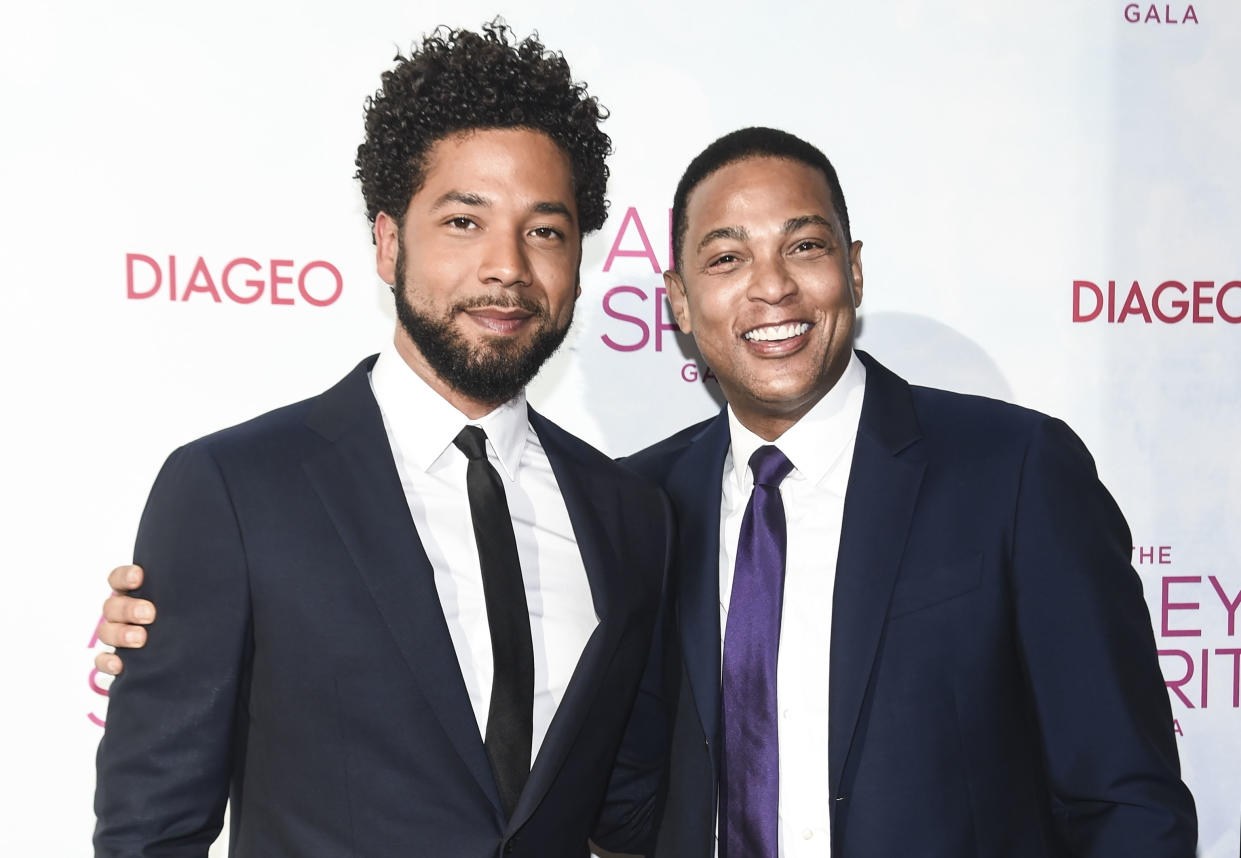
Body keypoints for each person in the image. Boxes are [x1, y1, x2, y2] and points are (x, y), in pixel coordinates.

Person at [98, 126, 1198, 857]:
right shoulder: (645, 505)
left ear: (852, 270)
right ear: (675, 302)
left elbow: (1126, 799)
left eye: (802, 247)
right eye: (724, 259)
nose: (769, 288)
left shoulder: (1011, 474)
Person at [92, 23, 672, 858]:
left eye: (544, 230)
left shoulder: (629, 514)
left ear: (578, 261)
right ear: (390, 241)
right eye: (464, 222)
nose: (506, 265)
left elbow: (632, 810)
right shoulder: (235, 491)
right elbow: (152, 831)